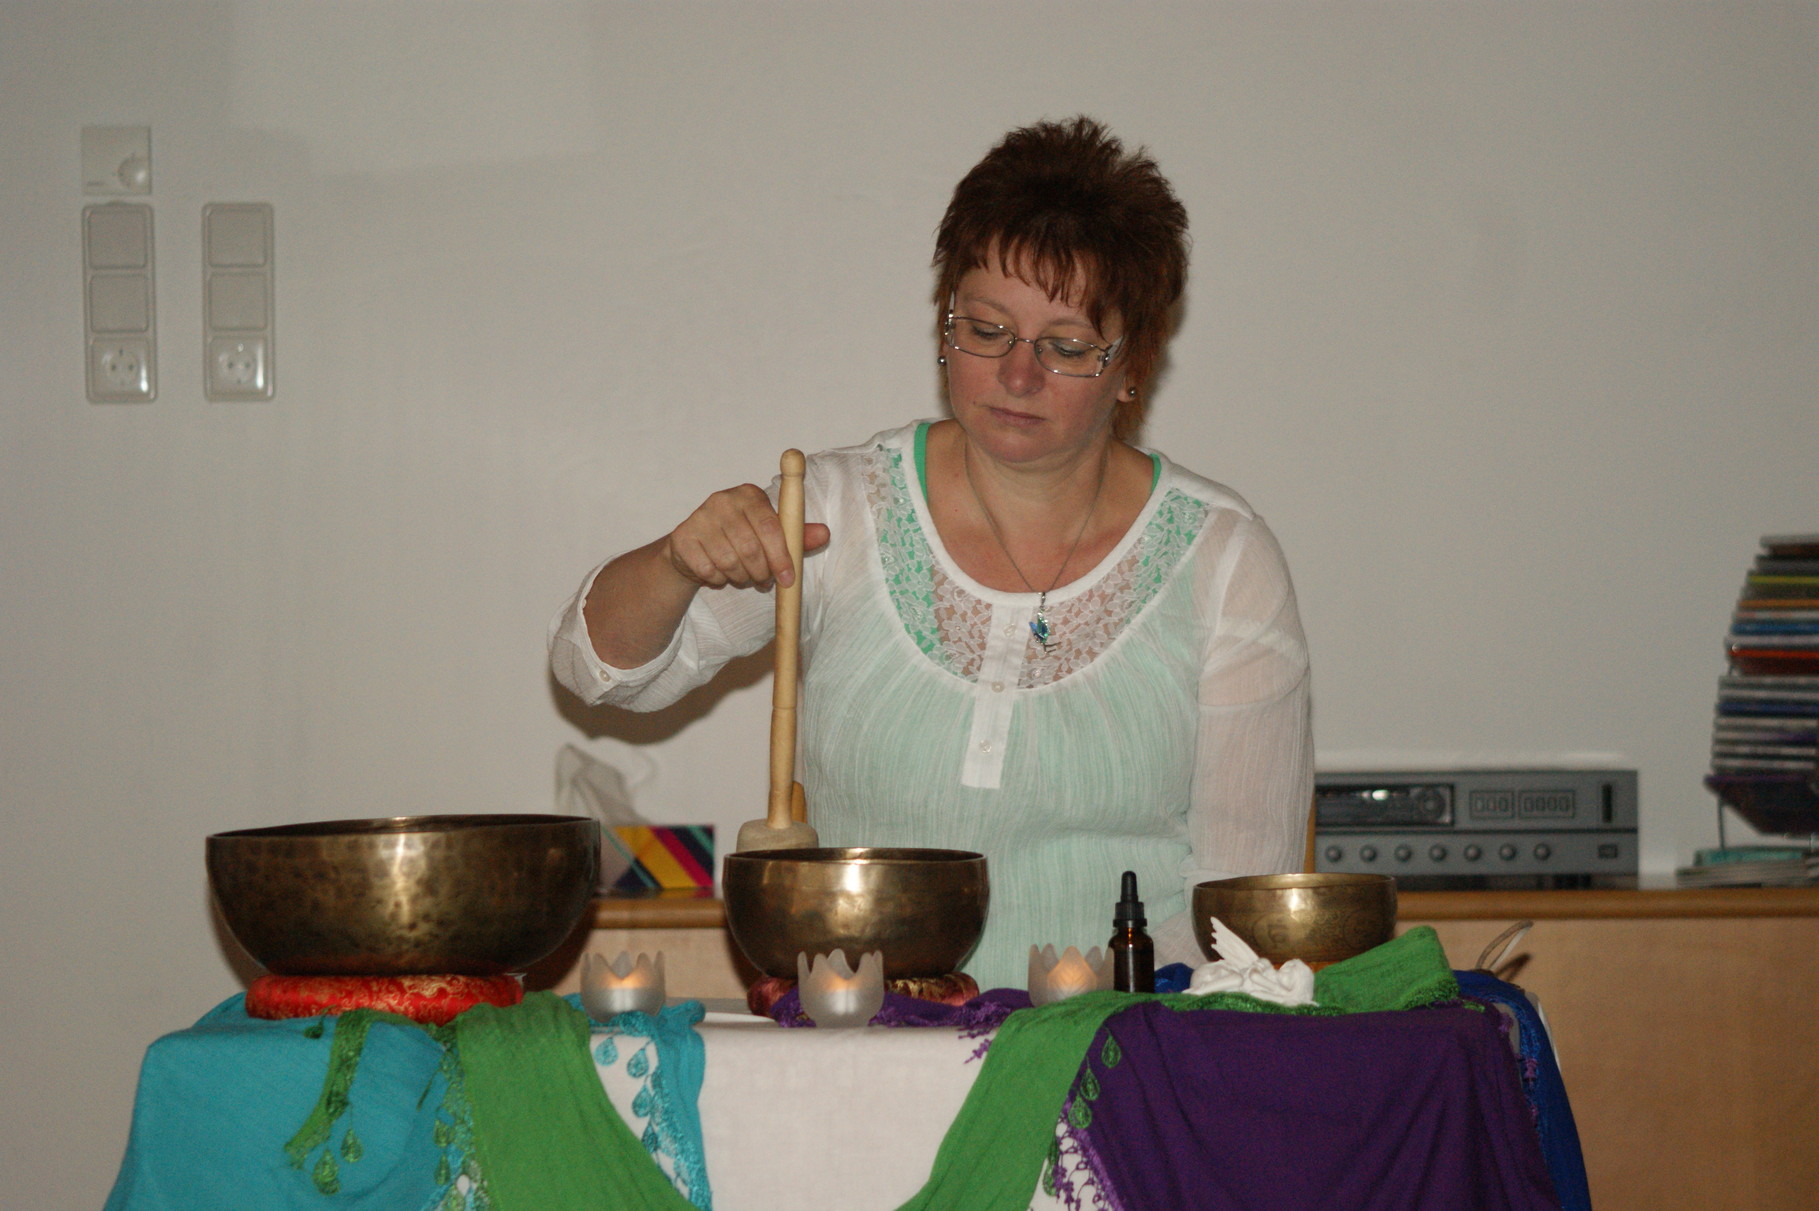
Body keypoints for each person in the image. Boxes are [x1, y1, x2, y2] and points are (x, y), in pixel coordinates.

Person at [550, 116, 1312, 991]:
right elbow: (597, 671)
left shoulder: (1222, 561)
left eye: (1064, 347)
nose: (1016, 376)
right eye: (986, 329)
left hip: (1116, 1076)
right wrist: (675, 563)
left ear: (1130, 363)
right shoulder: (839, 510)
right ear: (943, 324)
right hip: (862, 1061)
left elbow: (1241, 926)